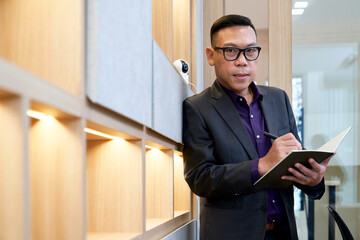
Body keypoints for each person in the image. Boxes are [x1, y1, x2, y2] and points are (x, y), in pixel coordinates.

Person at [182, 14, 331, 240]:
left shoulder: (278, 99)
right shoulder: (198, 107)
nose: (242, 61)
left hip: (283, 232)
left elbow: (294, 158)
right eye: (231, 51)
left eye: (250, 51)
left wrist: (313, 180)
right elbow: (200, 178)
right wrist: (261, 166)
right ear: (211, 56)